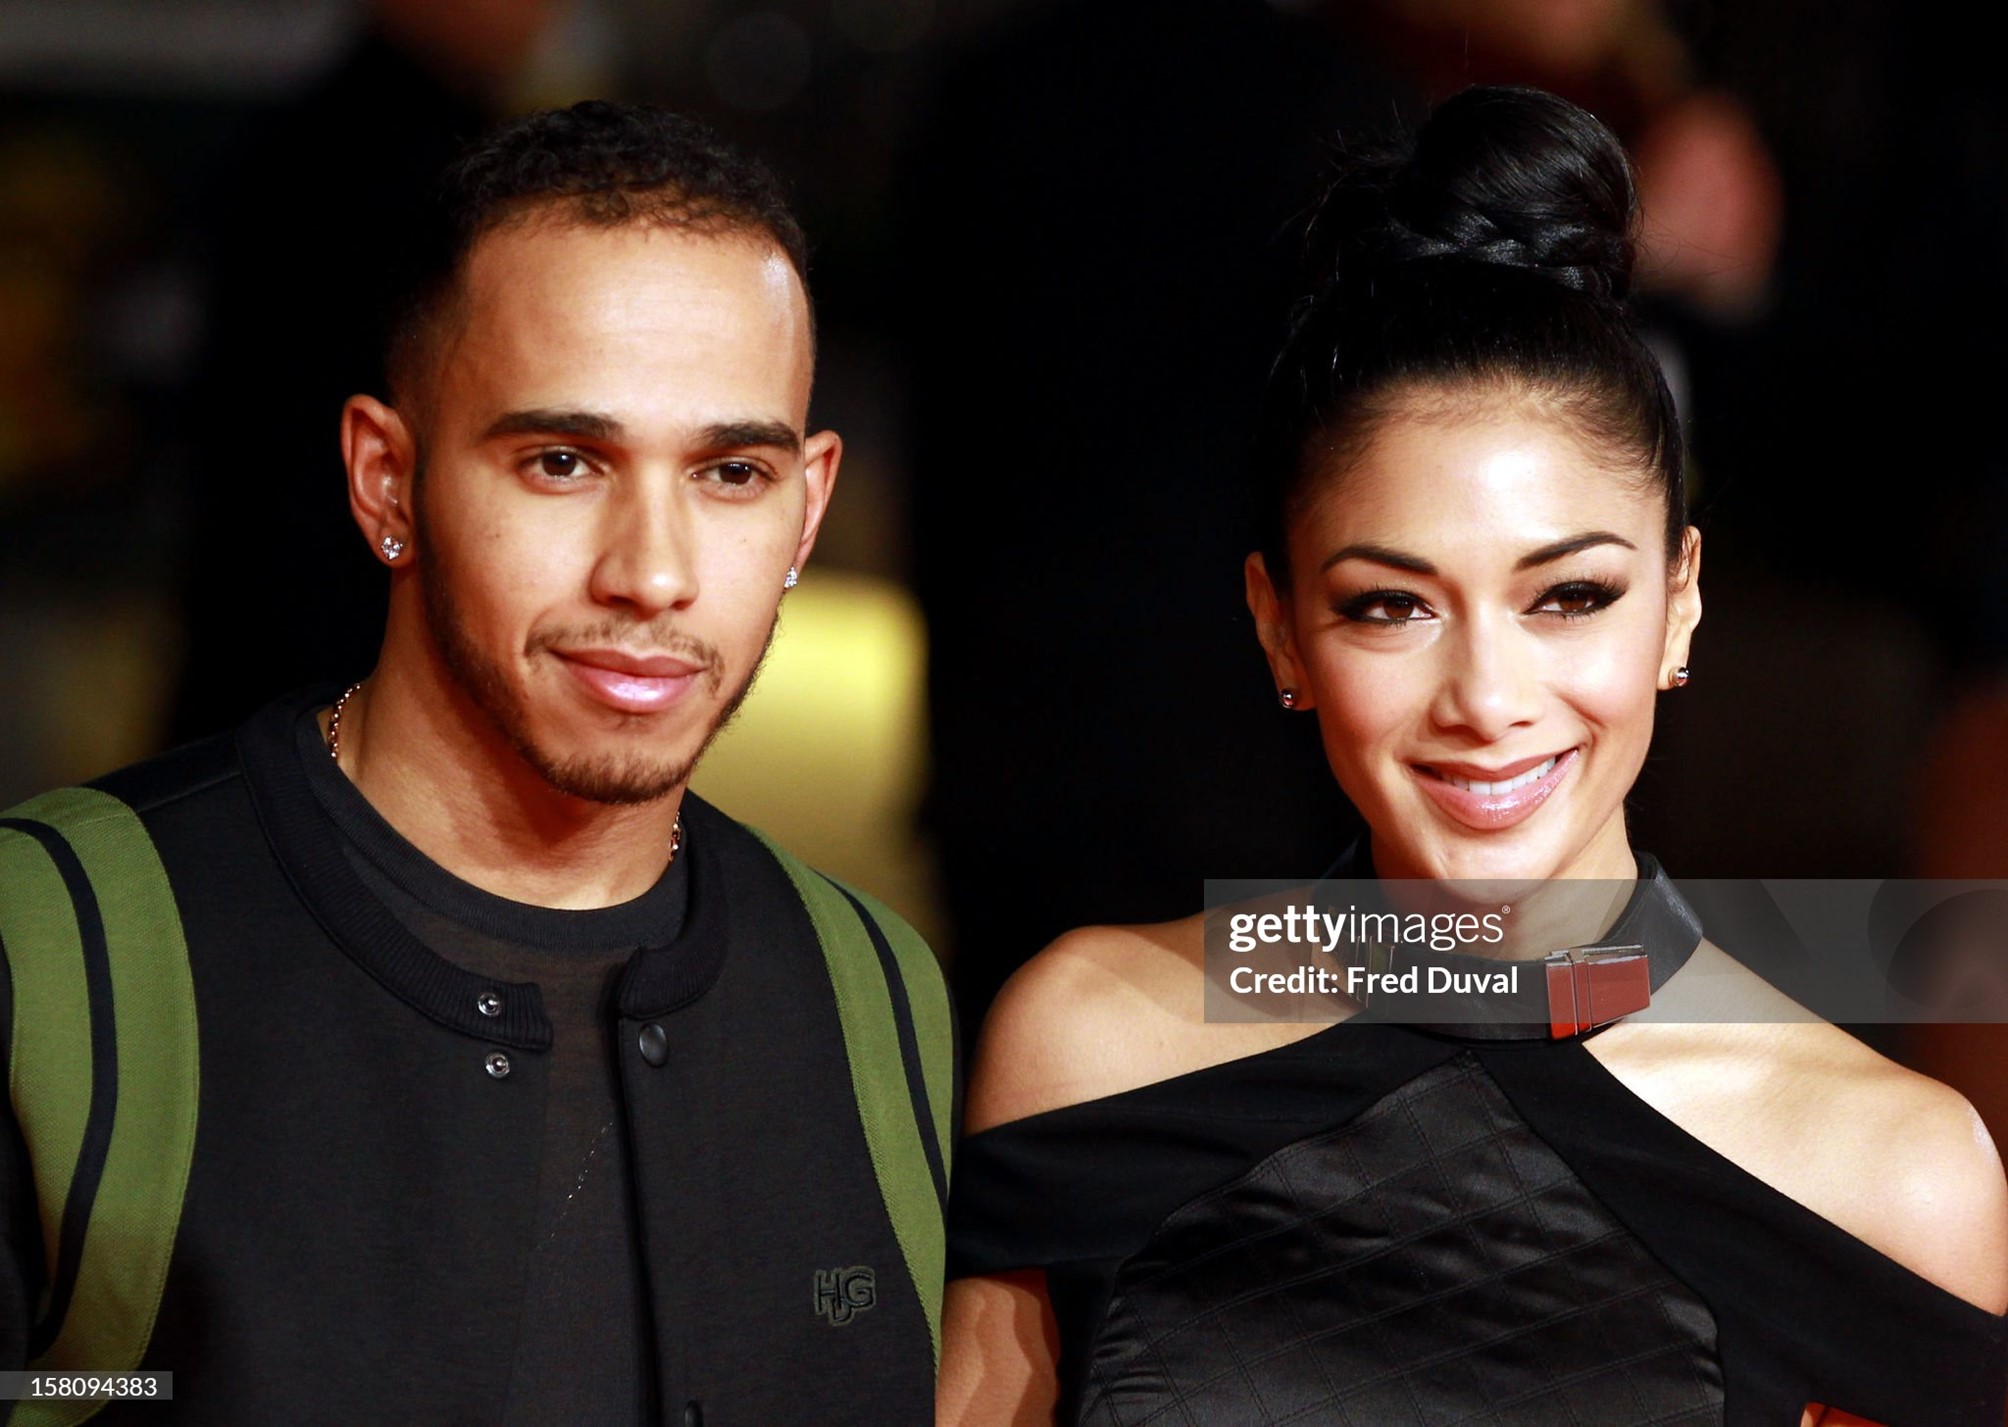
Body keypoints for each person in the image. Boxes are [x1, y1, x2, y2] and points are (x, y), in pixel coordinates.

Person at [938, 86, 2008, 1427]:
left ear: (1679, 602)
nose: (1487, 699)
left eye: (1570, 597)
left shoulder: (1887, 1172)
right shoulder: (1092, 1044)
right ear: (1278, 629)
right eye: (1391, 606)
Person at [0, 102, 952, 1425]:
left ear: (810, 508)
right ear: (387, 481)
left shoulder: (876, 997)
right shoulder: (48, 946)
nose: (654, 573)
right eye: (563, 462)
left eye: (732, 473)